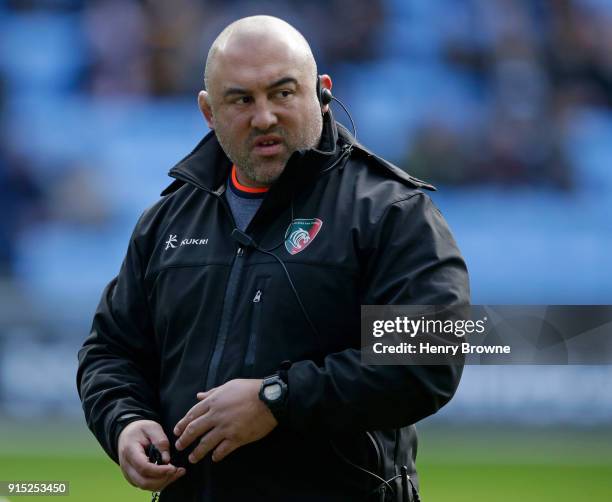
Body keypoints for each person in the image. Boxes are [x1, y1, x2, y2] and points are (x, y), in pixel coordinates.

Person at [77, 15, 469, 502]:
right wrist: (125, 421)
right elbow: (110, 351)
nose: (264, 116)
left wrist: (278, 399)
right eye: (241, 99)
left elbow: (428, 360)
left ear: (321, 92)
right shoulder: (167, 221)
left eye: (283, 93)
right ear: (208, 111)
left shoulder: (392, 212)